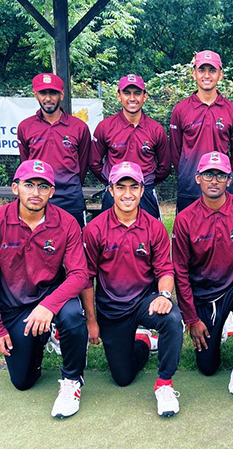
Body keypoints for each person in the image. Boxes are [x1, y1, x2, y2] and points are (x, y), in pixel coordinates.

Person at [0, 159, 89, 418]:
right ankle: (42, 337)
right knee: (23, 382)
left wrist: (48, 306)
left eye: (43, 186)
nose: (35, 192)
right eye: (29, 185)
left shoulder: (67, 222)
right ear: (15, 188)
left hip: (52, 296)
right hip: (15, 305)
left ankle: (72, 381)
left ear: (52, 191)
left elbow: (80, 274)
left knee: (72, 316)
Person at [80, 161, 183, 417]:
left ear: (142, 190)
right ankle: (143, 344)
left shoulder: (155, 227)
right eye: (121, 187)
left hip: (144, 302)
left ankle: (165, 384)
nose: (127, 194)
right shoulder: (94, 229)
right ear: (111, 191)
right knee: (123, 378)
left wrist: (164, 295)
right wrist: (92, 321)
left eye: (133, 187)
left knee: (172, 319)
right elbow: (86, 279)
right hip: (111, 308)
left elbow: (165, 271)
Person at [172, 152, 233, 408]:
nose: (214, 180)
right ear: (198, 178)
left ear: (229, 179)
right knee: (207, 367)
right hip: (204, 296)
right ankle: (219, 325)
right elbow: (180, 271)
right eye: (209, 175)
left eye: (220, 175)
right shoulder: (185, 219)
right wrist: (191, 319)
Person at [170, 50, 233, 212]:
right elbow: (175, 153)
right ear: (194, 74)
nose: (207, 75)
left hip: (221, 191)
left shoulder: (232, 111)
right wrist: (187, 173)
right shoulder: (181, 110)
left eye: (212, 70)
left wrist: (224, 178)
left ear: (220, 75)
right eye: (202, 70)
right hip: (189, 189)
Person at [90, 74, 171, 220]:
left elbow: (164, 167)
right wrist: (114, 183)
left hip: (144, 193)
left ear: (145, 96)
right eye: (127, 93)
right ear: (118, 96)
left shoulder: (156, 129)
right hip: (115, 193)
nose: (132, 98)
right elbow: (94, 163)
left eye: (137, 93)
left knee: (149, 237)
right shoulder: (105, 127)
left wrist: (146, 183)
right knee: (108, 238)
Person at [17, 73, 91, 227]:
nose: (48, 99)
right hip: (38, 196)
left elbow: (83, 165)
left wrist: (71, 184)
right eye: (43, 93)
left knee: (76, 245)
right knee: (39, 245)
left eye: (53, 93)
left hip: (70, 197)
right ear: (35, 95)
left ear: (61, 94)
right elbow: (27, 164)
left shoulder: (79, 127)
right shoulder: (25, 127)